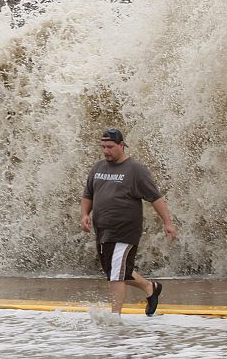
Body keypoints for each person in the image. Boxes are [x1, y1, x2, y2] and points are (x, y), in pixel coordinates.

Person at [81, 128, 178, 316]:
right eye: (103, 147)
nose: (106, 151)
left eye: (110, 147)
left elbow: (156, 198)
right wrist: (85, 214)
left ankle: (115, 317)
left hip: (125, 230)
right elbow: (88, 195)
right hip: (103, 230)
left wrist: (168, 223)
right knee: (116, 271)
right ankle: (150, 287)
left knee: (116, 274)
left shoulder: (136, 170)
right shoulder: (98, 168)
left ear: (122, 145)